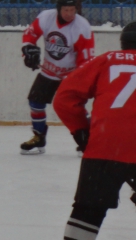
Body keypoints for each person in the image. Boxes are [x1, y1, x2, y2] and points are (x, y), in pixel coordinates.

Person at [53, 21, 136, 240]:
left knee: (87, 211)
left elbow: (64, 98)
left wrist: (80, 130)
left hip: (104, 146)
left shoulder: (105, 60)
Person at [19, 0, 94, 155]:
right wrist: (28, 48)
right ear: (59, 8)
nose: (70, 14)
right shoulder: (46, 17)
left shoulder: (82, 27)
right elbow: (30, 34)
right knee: (35, 101)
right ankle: (39, 137)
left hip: (71, 75)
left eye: (73, 10)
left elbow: (86, 60)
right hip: (49, 71)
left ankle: (89, 140)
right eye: (66, 10)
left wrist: (79, 79)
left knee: (74, 108)